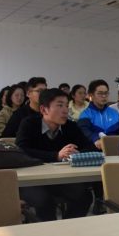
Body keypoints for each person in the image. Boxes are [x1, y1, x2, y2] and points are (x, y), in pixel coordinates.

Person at [16, 88, 96, 221]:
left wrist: (75, 154)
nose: (65, 110)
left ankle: (67, 228)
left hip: (60, 179)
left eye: (66, 105)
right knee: (44, 202)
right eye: (59, 105)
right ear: (44, 109)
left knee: (84, 196)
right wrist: (56, 156)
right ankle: (49, 232)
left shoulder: (70, 126)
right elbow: (21, 150)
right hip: (32, 181)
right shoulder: (29, 124)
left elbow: (91, 148)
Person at [78, 79, 119, 151]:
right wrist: (95, 139)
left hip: (115, 150)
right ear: (91, 95)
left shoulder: (115, 113)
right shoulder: (85, 114)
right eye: (100, 93)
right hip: (94, 151)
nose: (104, 96)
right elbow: (84, 131)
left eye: (106, 93)